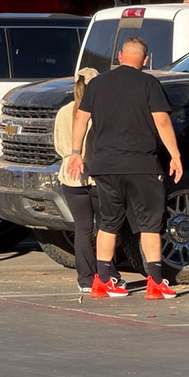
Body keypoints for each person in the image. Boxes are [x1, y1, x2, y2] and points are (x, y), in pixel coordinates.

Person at [65, 37, 182, 300]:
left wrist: (75, 153)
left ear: (119, 55)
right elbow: (162, 121)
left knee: (108, 223)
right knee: (150, 226)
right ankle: (155, 283)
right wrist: (175, 155)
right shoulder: (149, 83)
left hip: (105, 166)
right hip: (142, 166)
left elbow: (81, 119)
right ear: (145, 60)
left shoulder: (97, 84)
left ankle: (103, 281)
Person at [55, 67, 120, 293]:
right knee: (105, 228)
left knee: (82, 228)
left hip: (70, 176)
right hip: (97, 176)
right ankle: (109, 274)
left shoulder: (64, 112)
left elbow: (58, 145)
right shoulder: (101, 112)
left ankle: (84, 278)